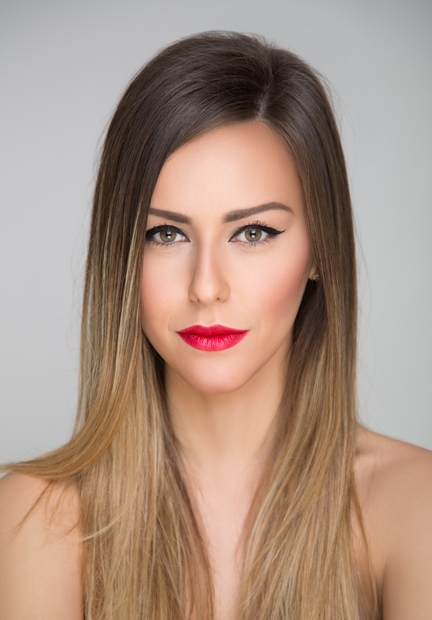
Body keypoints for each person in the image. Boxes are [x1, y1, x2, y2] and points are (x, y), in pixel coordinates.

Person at [0, 31, 431, 620]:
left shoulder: (416, 505)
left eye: (253, 233)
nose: (206, 286)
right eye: (165, 234)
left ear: (321, 250)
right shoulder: (30, 518)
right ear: (120, 255)